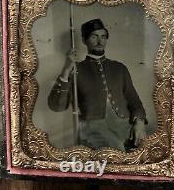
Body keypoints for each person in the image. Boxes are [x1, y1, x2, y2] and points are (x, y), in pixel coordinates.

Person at [48, 19, 147, 151]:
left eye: (103, 37)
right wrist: (66, 70)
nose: (100, 41)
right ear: (84, 40)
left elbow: (134, 101)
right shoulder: (76, 69)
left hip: (124, 125)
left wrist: (139, 122)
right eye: (94, 37)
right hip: (92, 129)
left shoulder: (119, 68)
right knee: (116, 150)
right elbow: (57, 106)